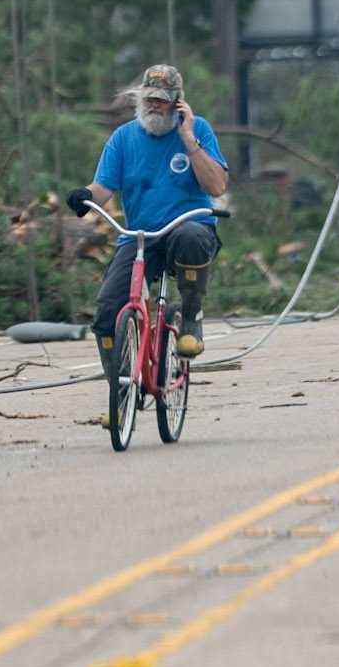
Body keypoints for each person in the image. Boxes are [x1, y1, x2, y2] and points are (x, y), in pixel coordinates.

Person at [65, 64, 228, 427]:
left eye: (163, 101)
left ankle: (191, 315)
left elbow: (217, 187)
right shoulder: (123, 139)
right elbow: (104, 188)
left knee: (190, 237)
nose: (155, 106)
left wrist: (189, 140)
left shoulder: (197, 131)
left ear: (178, 105)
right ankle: (119, 392)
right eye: (149, 99)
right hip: (140, 236)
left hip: (187, 227)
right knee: (108, 312)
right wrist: (84, 196)